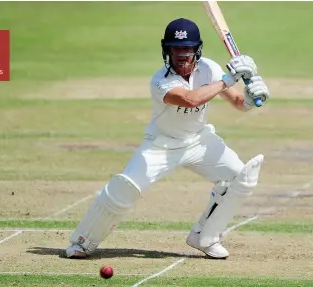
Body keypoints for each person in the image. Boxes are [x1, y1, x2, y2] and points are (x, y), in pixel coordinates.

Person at [65, 18, 270, 259]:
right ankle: (82, 241)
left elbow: (236, 102)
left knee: (238, 178)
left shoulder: (210, 69)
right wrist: (228, 79)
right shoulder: (160, 80)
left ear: (196, 49)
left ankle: (206, 237)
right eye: (176, 48)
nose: (182, 54)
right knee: (125, 188)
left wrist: (250, 97)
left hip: (199, 141)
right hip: (161, 144)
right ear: (167, 50)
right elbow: (191, 99)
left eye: (187, 48)